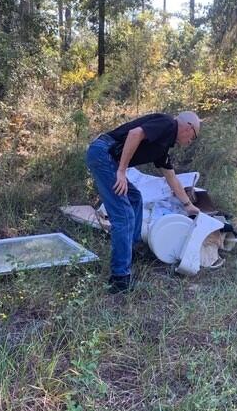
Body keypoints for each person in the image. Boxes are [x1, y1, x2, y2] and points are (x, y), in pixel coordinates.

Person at [86, 111, 201, 293]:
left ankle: (131, 251)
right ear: (188, 128)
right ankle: (120, 280)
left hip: (107, 156)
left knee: (135, 198)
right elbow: (135, 134)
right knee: (123, 215)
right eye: (193, 137)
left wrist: (188, 206)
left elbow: (171, 177)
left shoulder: (163, 145)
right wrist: (122, 171)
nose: (190, 141)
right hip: (103, 154)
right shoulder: (167, 124)